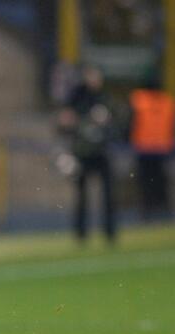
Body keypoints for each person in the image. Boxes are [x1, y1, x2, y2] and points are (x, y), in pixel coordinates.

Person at [58, 65, 116, 244]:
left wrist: (108, 121)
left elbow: (116, 122)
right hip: (82, 152)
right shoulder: (77, 96)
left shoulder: (104, 97)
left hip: (101, 152)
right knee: (82, 196)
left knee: (108, 195)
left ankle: (110, 233)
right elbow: (63, 122)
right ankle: (81, 234)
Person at [128, 78, 175, 221]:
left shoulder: (139, 101)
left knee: (146, 183)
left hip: (144, 148)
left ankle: (148, 212)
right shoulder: (168, 102)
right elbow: (174, 127)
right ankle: (162, 211)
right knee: (160, 182)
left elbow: (130, 123)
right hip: (161, 148)